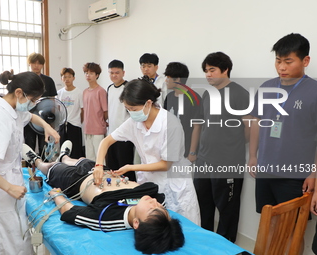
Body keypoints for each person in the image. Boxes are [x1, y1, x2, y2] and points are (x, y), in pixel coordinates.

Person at [21, 142, 185, 254]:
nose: (155, 203)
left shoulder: (108, 217)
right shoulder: (156, 200)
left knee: (49, 168)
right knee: (78, 160)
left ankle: (36, 159)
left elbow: (69, 211)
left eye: (152, 210)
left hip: (75, 180)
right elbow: (157, 206)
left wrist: (56, 195)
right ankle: (64, 156)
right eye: (162, 209)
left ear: (136, 223)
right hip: (101, 170)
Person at [92, 76, 200, 225]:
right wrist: (98, 165)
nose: (131, 113)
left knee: (182, 229)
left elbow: (165, 165)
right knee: (153, 228)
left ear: (148, 103)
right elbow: (106, 141)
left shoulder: (170, 124)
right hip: (150, 184)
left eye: (133, 109)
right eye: (128, 109)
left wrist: (131, 167)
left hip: (174, 186)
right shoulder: (134, 122)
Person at [0, 70, 60, 255]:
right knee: (5, 245)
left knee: (19, 242)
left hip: (10, 184)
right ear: (19, 93)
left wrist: (47, 127)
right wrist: (8, 187)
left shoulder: (12, 108)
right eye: (31, 100)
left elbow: (31, 117)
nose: (31, 105)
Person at [248, 33, 317, 254]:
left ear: (305, 61)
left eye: (288, 61)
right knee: (269, 223)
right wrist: (252, 157)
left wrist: (313, 172)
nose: (281, 67)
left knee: (294, 230)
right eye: (278, 60)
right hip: (266, 169)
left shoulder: (314, 91)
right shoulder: (267, 87)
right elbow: (256, 124)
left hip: (296, 175)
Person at [193, 52, 250, 243]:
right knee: (203, 206)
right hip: (204, 160)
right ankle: (204, 242)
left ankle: (225, 248)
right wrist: (194, 152)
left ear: (225, 70)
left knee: (228, 211)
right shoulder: (208, 94)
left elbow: (249, 129)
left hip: (227, 162)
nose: (208, 75)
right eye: (206, 71)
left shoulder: (240, 93)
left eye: (212, 70)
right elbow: (201, 124)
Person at [163, 62, 202, 162]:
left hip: (185, 151)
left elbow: (197, 127)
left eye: (168, 77)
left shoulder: (194, 98)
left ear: (178, 79)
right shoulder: (169, 97)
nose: (165, 80)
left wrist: (192, 152)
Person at [24, 52, 57, 161]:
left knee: (45, 145)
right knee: (29, 145)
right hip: (28, 118)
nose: (36, 66)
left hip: (44, 118)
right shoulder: (25, 79)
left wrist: (51, 119)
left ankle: (45, 169)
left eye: (39, 63)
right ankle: (30, 171)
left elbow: (53, 100)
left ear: (42, 65)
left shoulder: (48, 80)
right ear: (29, 64)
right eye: (34, 63)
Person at [106, 60, 135, 181]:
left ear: (123, 72)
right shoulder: (109, 88)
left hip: (125, 136)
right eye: (111, 73)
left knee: (125, 168)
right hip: (111, 134)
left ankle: (129, 193)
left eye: (117, 72)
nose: (114, 75)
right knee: (111, 168)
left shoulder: (128, 88)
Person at [83, 62, 108, 161]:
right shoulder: (85, 91)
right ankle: (91, 176)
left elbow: (105, 111)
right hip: (87, 128)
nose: (88, 75)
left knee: (100, 158)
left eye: (91, 73)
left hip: (98, 129)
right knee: (89, 158)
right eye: (86, 73)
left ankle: (102, 176)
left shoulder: (100, 91)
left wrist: (100, 122)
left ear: (97, 75)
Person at [57, 67, 84, 158]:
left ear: (73, 78)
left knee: (75, 150)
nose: (67, 79)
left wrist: (78, 121)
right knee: (63, 150)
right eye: (64, 77)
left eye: (69, 77)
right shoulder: (59, 93)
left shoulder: (79, 93)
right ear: (61, 79)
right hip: (62, 125)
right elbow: (58, 109)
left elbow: (82, 110)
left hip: (75, 125)